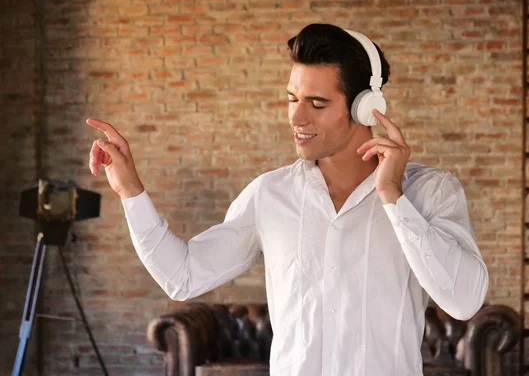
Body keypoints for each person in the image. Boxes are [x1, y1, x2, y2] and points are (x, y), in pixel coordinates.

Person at [87, 23, 488, 376]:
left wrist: (392, 196)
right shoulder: (269, 194)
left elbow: (464, 302)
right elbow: (183, 276)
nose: (297, 119)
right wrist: (129, 191)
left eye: (317, 104)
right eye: (292, 99)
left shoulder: (431, 191)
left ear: (366, 108)